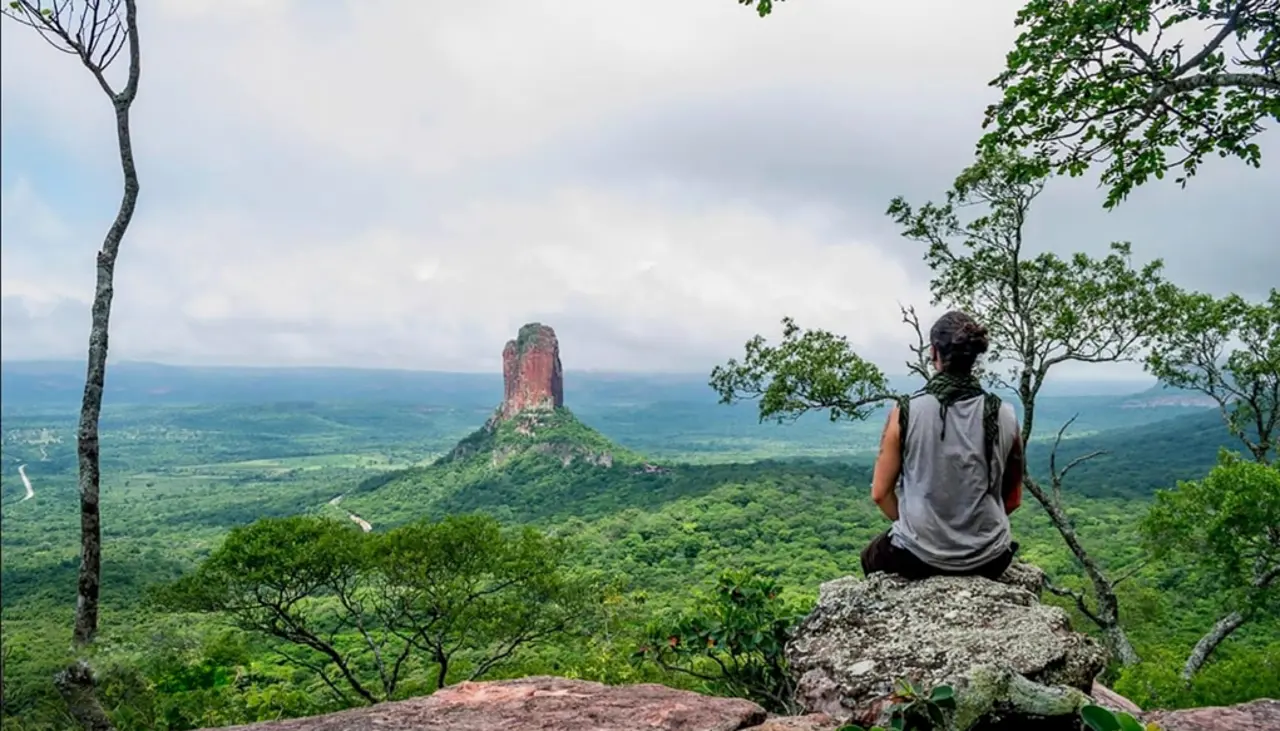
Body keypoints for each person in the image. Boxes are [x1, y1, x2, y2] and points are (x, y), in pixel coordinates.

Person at [859, 310, 1024, 581]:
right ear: (974, 358)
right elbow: (1013, 498)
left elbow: (880, 493)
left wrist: (924, 529)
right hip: (990, 557)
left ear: (934, 353)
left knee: (870, 557)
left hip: (918, 557)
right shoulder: (1004, 413)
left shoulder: (906, 411)